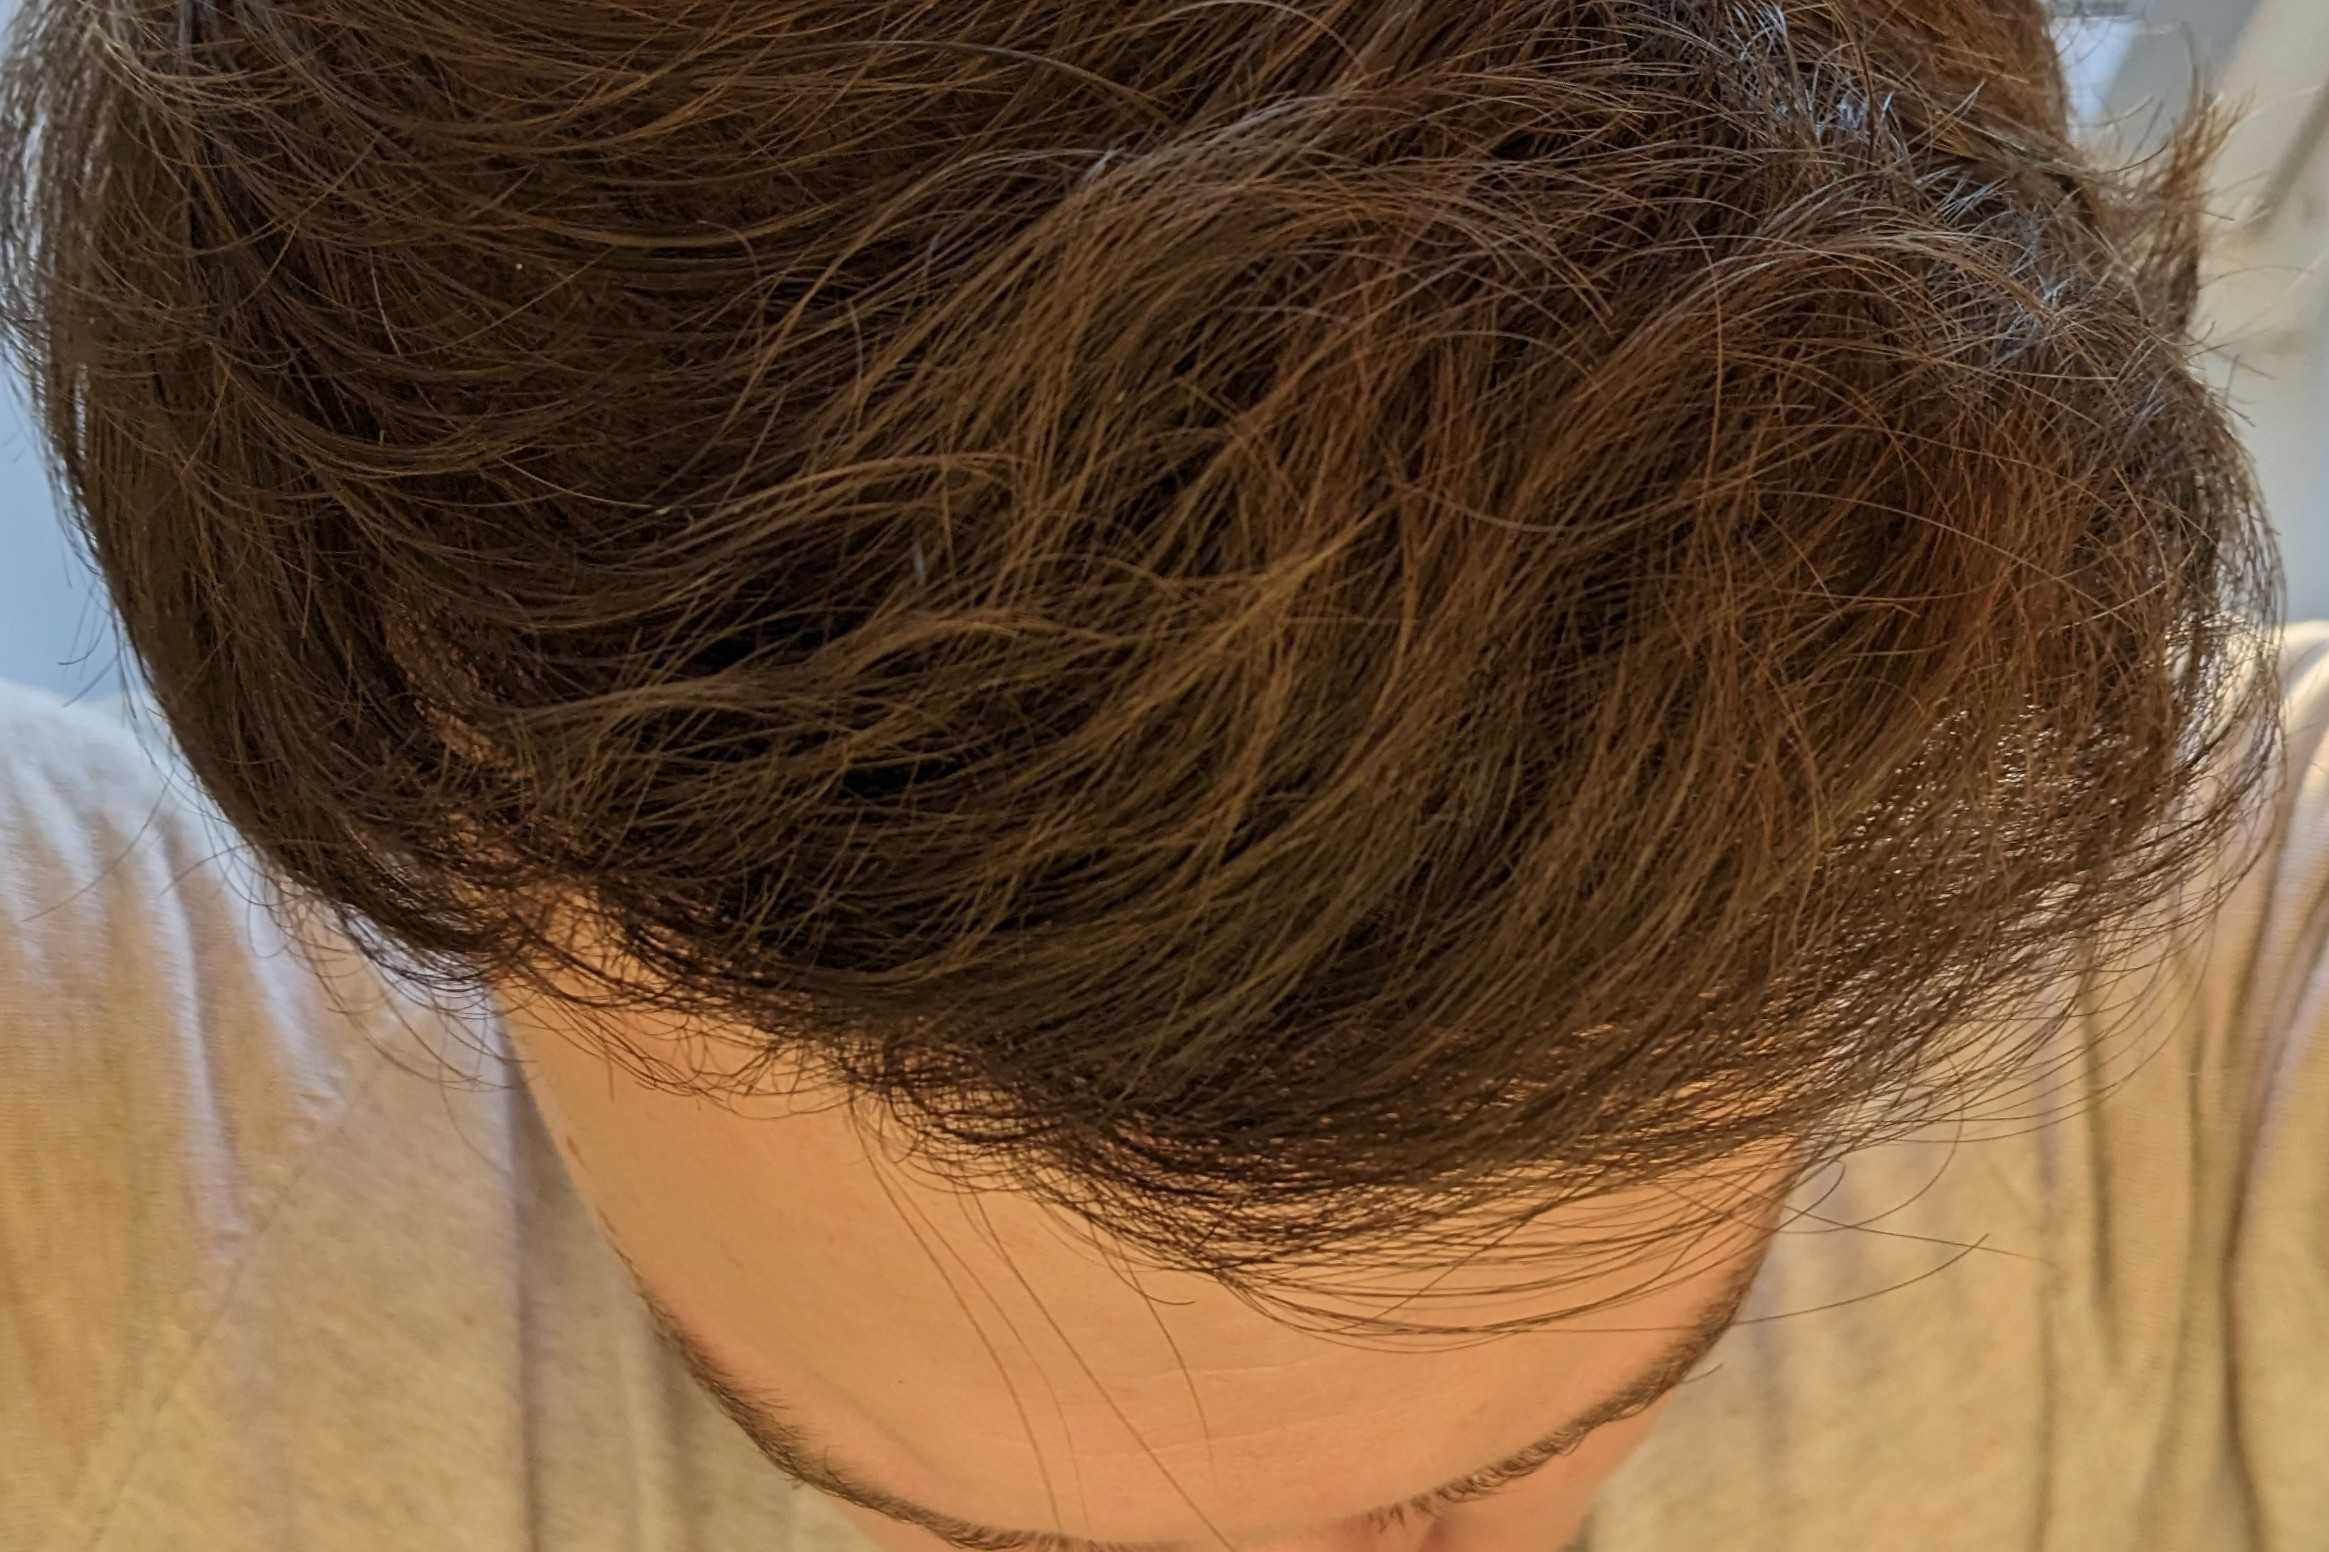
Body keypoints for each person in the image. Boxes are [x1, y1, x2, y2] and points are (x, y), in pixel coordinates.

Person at [0, 1, 2318, 1548]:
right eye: (977, 1523)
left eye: (1464, 1493)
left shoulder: (2237, 1022)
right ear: (420, 781)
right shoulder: (90, 1126)